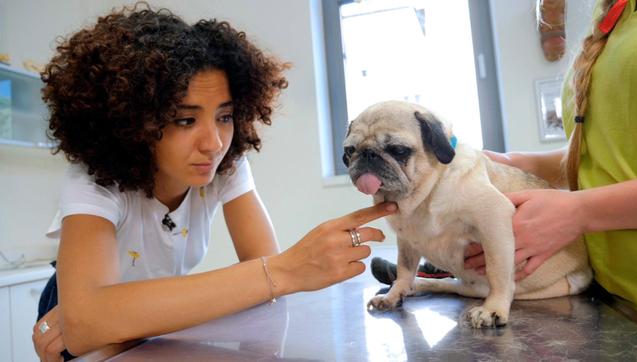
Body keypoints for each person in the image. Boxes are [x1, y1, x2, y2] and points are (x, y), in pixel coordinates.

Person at [31, 4, 397, 360]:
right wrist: (287, 269)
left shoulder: (225, 165)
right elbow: (85, 322)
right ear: (135, 120)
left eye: (224, 116)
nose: (214, 143)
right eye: (185, 120)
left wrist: (121, 323)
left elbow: (263, 279)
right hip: (63, 312)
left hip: (143, 322)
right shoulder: (95, 179)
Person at [463, 0, 637, 320]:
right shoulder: (619, 15)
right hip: (612, 302)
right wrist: (519, 164)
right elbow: (611, 150)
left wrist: (579, 211)